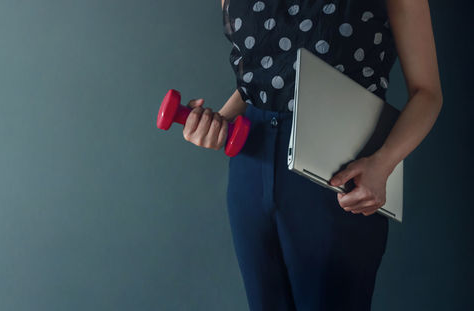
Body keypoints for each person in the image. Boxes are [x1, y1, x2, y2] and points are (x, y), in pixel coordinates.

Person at [182, 1, 443, 310]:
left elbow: (428, 93)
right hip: (249, 168)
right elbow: (261, 74)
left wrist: (383, 163)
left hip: (338, 175)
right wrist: (215, 124)